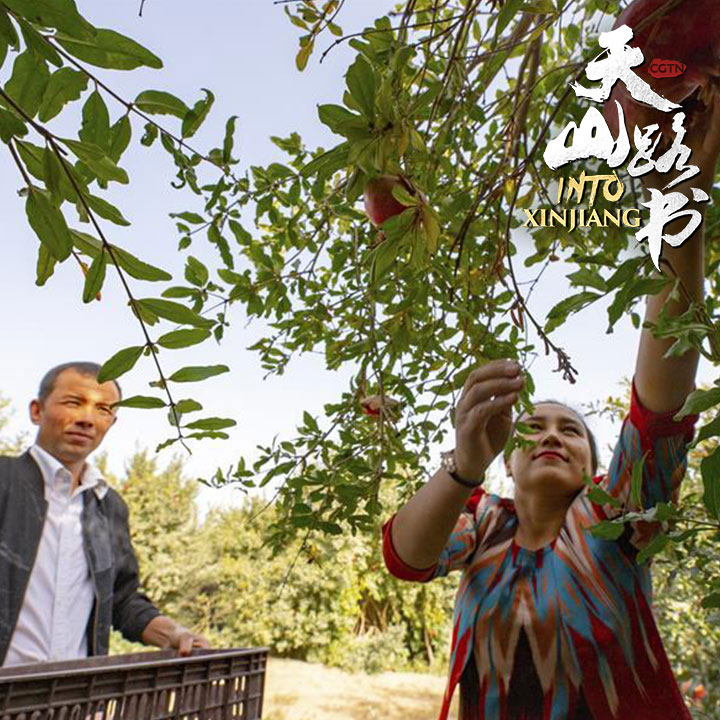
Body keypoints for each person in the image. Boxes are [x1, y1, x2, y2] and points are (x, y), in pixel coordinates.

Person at [382, 100, 720, 718]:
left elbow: (661, 411)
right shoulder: (482, 523)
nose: (550, 435)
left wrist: (679, 210)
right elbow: (406, 557)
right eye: (532, 427)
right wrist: (462, 466)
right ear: (507, 465)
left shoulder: (610, 519)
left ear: (595, 464)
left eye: (571, 430)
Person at [0, 362, 210, 668]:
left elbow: (122, 600)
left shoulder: (109, 507)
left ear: (111, 422)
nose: (87, 419)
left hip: (74, 701)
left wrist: (174, 634)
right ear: (36, 411)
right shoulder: (4, 480)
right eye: (74, 402)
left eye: (103, 409)